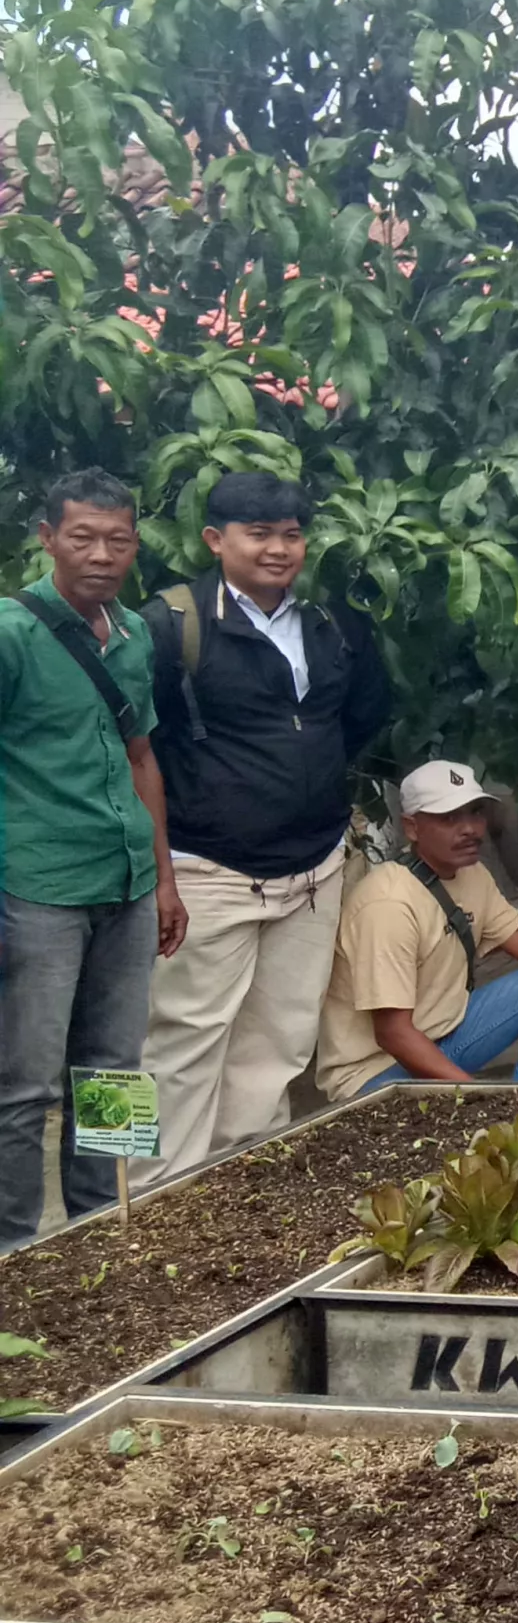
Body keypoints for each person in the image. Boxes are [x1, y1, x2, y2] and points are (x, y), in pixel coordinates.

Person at [139, 471, 393, 1172]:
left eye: (291, 534)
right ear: (216, 540)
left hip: (310, 868)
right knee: (180, 1046)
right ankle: (151, 1211)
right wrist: (163, 871)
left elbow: (364, 712)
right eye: (259, 534)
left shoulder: (330, 623)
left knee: (276, 1047)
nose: (278, 549)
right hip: (207, 871)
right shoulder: (169, 625)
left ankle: (239, 1200)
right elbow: (137, 749)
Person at [0, 470, 186, 1247]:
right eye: (82, 538)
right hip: (39, 885)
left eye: (117, 540)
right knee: (25, 1086)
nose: (101, 555)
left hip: (128, 885)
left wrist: (164, 876)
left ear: (135, 545)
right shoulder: (12, 633)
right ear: (47, 540)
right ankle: (13, 1252)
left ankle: (103, 1235)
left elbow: (141, 756)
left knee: (114, 1076)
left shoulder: (135, 634)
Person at [317, 763, 518, 1097]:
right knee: (473, 1113)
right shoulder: (388, 903)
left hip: (444, 1037)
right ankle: (504, 1113)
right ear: (412, 828)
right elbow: (392, 1034)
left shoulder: (471, 873)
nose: (470, 829)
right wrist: (479, 1097)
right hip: (376, 1072)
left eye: (475, 813)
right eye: (449, 818)